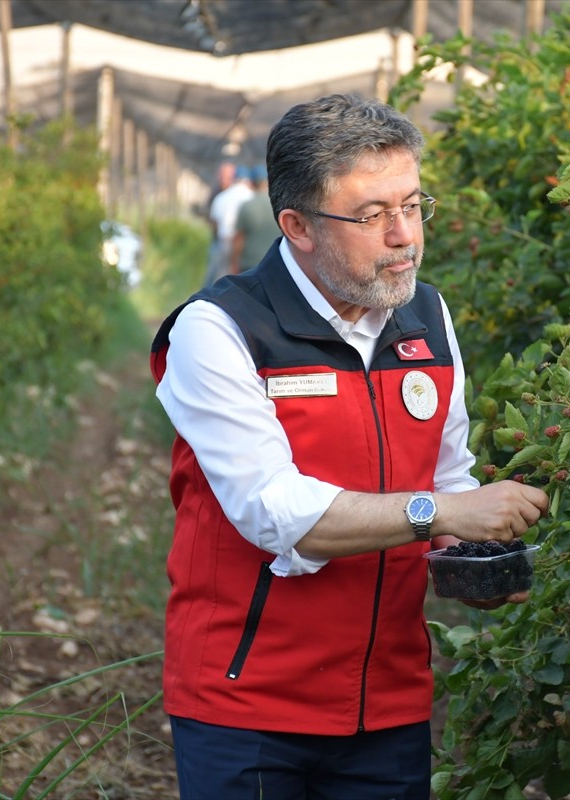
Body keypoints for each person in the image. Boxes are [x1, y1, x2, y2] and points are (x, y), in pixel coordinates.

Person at [150, 93, 549, 800]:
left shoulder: (426, 316)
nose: (404, 237)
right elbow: (274, 511)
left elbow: (448, 475)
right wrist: (443, 514)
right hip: (247, 706)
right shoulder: (219, 330)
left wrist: (474, 557)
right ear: (297, 226)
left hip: (387, 701)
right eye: (372, 215)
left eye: (413, 206)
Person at [203, 162, 254, 286]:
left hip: (224, 239)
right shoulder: (251, 196)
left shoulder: (221, 196)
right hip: (244, 240)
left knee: (221, 274)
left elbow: (213, 221)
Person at [229, 164, 281, 275]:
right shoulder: (279, 207)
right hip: (275, 264)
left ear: (251, 183)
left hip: (249, 266)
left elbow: (238, 240)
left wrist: (234, 263)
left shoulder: (247, 206)